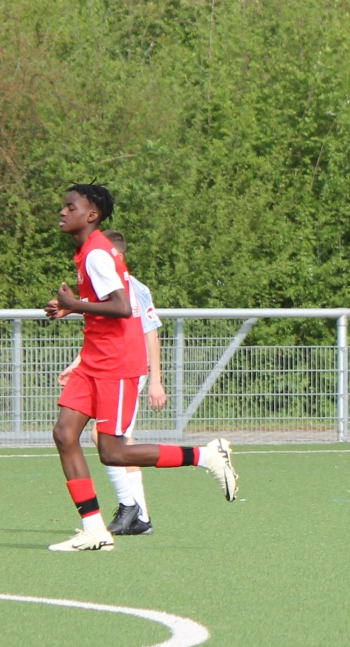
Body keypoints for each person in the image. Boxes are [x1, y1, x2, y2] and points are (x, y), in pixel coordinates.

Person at [44, 185, 234, 552]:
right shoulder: (88, 251)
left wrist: (76, 304)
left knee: (113, 452)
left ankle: (206, 456)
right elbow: (105, 304)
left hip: (116, 364)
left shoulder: (97, 253)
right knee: (65, 435)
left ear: (92, 215)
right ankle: (94, 530)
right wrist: (73, 305)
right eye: (63, 206)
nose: (63, 212)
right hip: (93, 360)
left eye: (70, 207)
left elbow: (122, 307)